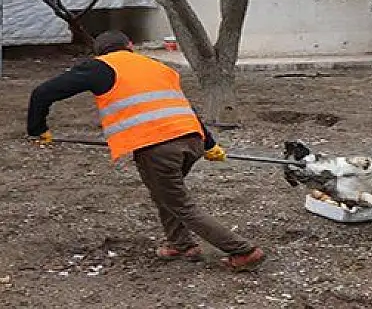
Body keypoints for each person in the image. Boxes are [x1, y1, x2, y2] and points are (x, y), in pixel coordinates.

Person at [26, 30, 265, 272]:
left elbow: (42, 93)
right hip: (191, 139)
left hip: (157, 147)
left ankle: (243, 251)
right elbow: (183, 106)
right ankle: (180, 244)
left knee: (180, 203)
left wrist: (37, 129)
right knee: (165, 193)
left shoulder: (100, 67)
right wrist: (209, 143)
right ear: (130, 45)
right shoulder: (157, 67)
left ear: (99, 52)